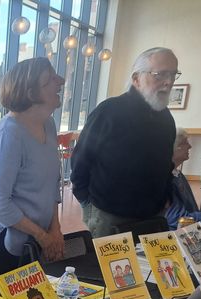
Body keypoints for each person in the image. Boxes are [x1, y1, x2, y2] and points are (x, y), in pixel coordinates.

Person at [0, 58, 65, 290]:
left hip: (35, 237)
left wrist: (55, 230)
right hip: (0, 243)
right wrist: (43, 237)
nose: (60, 82)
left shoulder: (48, 125)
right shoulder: (8, 135)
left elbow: (53, 184)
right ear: (31, 92)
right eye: (50, 79)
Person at [72, 47, 179, 237]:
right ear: (136, 78)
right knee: (107, 268)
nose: (168, 82)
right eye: (159, 74)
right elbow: (81, 160)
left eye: (172, 74)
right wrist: (87, 202)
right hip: (110, 214)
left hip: (153, 215)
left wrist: (166, 195)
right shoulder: (109, 111)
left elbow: (164, 162)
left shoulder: (166, 117)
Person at [165, 128, 201, 229]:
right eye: (186, 142)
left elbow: (193, 210)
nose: (190, 146)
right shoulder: (164, 180)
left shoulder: (178, 174)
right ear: (176, 147)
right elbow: (177, 219)